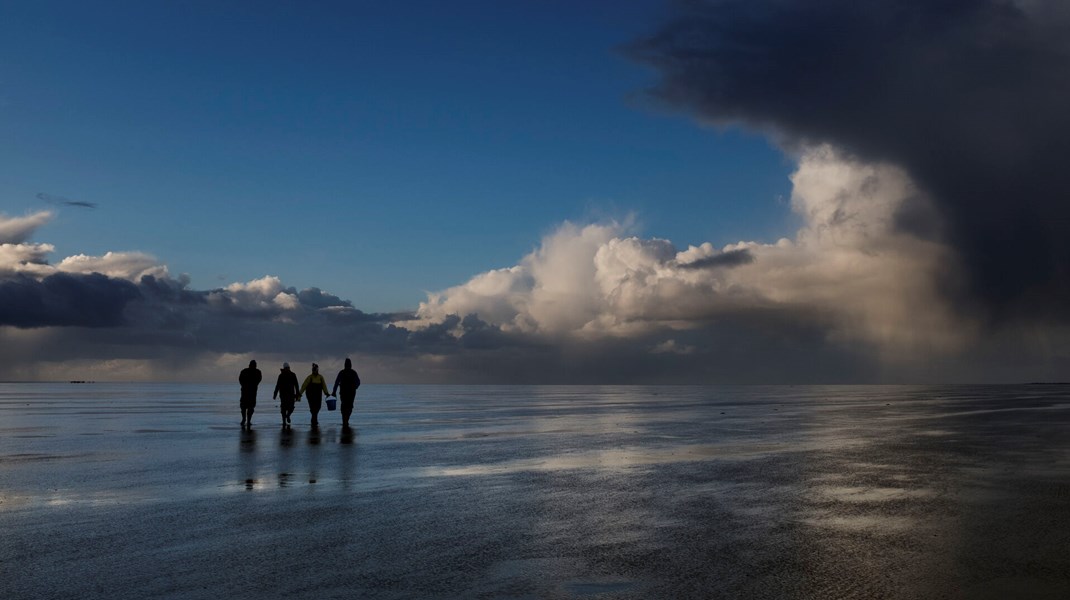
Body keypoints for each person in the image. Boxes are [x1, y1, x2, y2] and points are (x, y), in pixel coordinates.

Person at [332, 358, 361, 429]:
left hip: (345, 393)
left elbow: (336, 383)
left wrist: (334, 392)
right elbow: (358, 382)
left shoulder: (342, 372)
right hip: (349, 393)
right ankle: (346, 420)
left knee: (345, 407)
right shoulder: (352, 372)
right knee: (349, 407)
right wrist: (355, 387)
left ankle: (345, 420)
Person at [273, 362, 300, 426]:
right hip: (285, 395)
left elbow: (296, 385)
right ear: (285, 368)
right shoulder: (282, 376)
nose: (287, 369)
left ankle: (287, 417)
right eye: (287, 368)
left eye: (288, 368)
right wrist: (275, 394)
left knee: (289, 408)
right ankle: (284, 421)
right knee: (285, 408)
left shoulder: (292, 375)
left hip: (289, 395)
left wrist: (297, 394)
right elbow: (278, 385)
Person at [238, 360, 262, 428]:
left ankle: (246, 420)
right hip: (248, 391)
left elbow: (259, 380)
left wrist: (245, 385)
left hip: (249, 392)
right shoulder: (247, 371)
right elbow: (240, 380)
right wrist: (245, 385)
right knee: (246, 407)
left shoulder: (256, 372)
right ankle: (245, 420)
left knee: (247, 407)